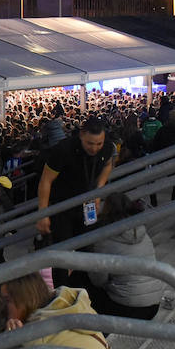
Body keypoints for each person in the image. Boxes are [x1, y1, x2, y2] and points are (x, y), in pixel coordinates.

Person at [36, 116, 117, 288]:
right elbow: (45, 181)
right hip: (62, 205)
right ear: (81, 135)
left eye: (99, 143)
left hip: (87, 204)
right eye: (90, 143)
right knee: (61, 253)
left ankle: (82, 289)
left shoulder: (107, 147)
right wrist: (43, 213)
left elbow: (108, 165)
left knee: (87, 248)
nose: (94, 148)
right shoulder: (63, 150)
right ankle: (61, 291)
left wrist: (98, 192)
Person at [89, 195, 166, 320]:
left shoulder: (103, 241)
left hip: (126, 308)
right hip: (153, 306)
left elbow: (98, 281)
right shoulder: (143, 233)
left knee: (82, 280)